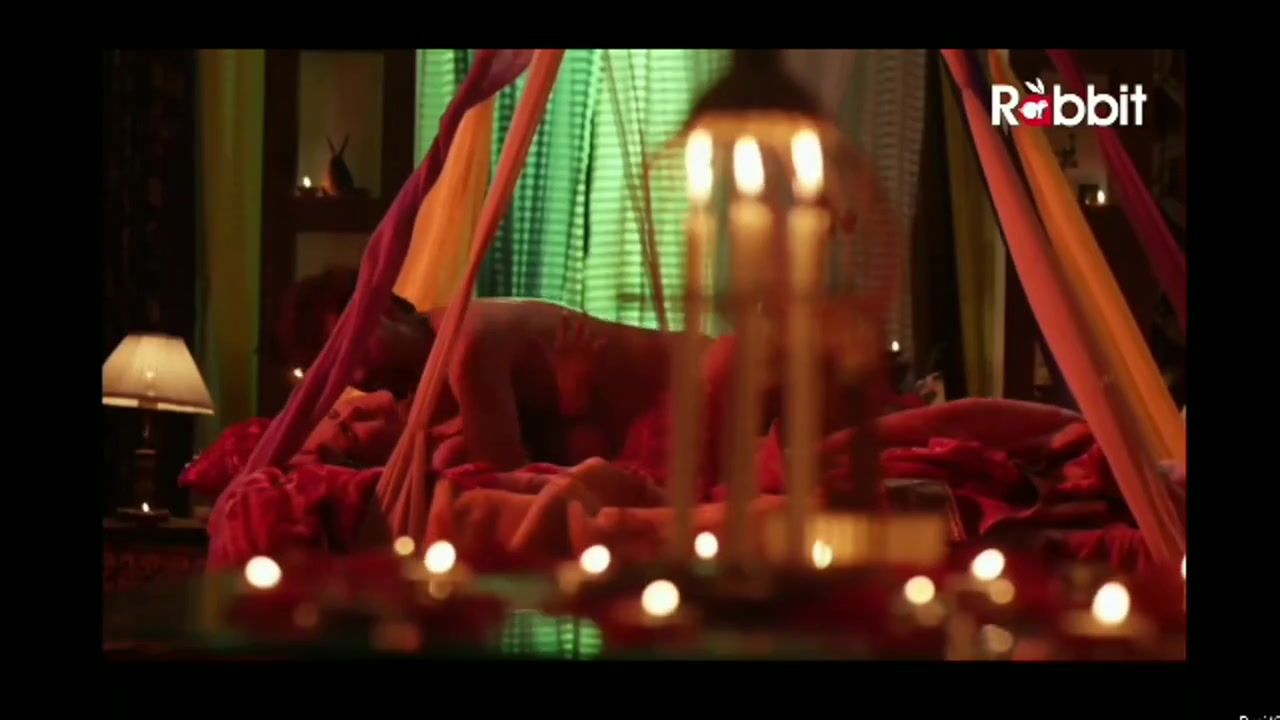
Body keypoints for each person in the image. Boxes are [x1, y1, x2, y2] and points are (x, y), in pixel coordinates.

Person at [277, 268, 680, 471]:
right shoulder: (429, 375)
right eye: (340, 375)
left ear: (381, 310)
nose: (359, 378)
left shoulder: (465, 348)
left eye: (354, 354)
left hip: (692, 388)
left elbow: (507, 481)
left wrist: (574, 405)